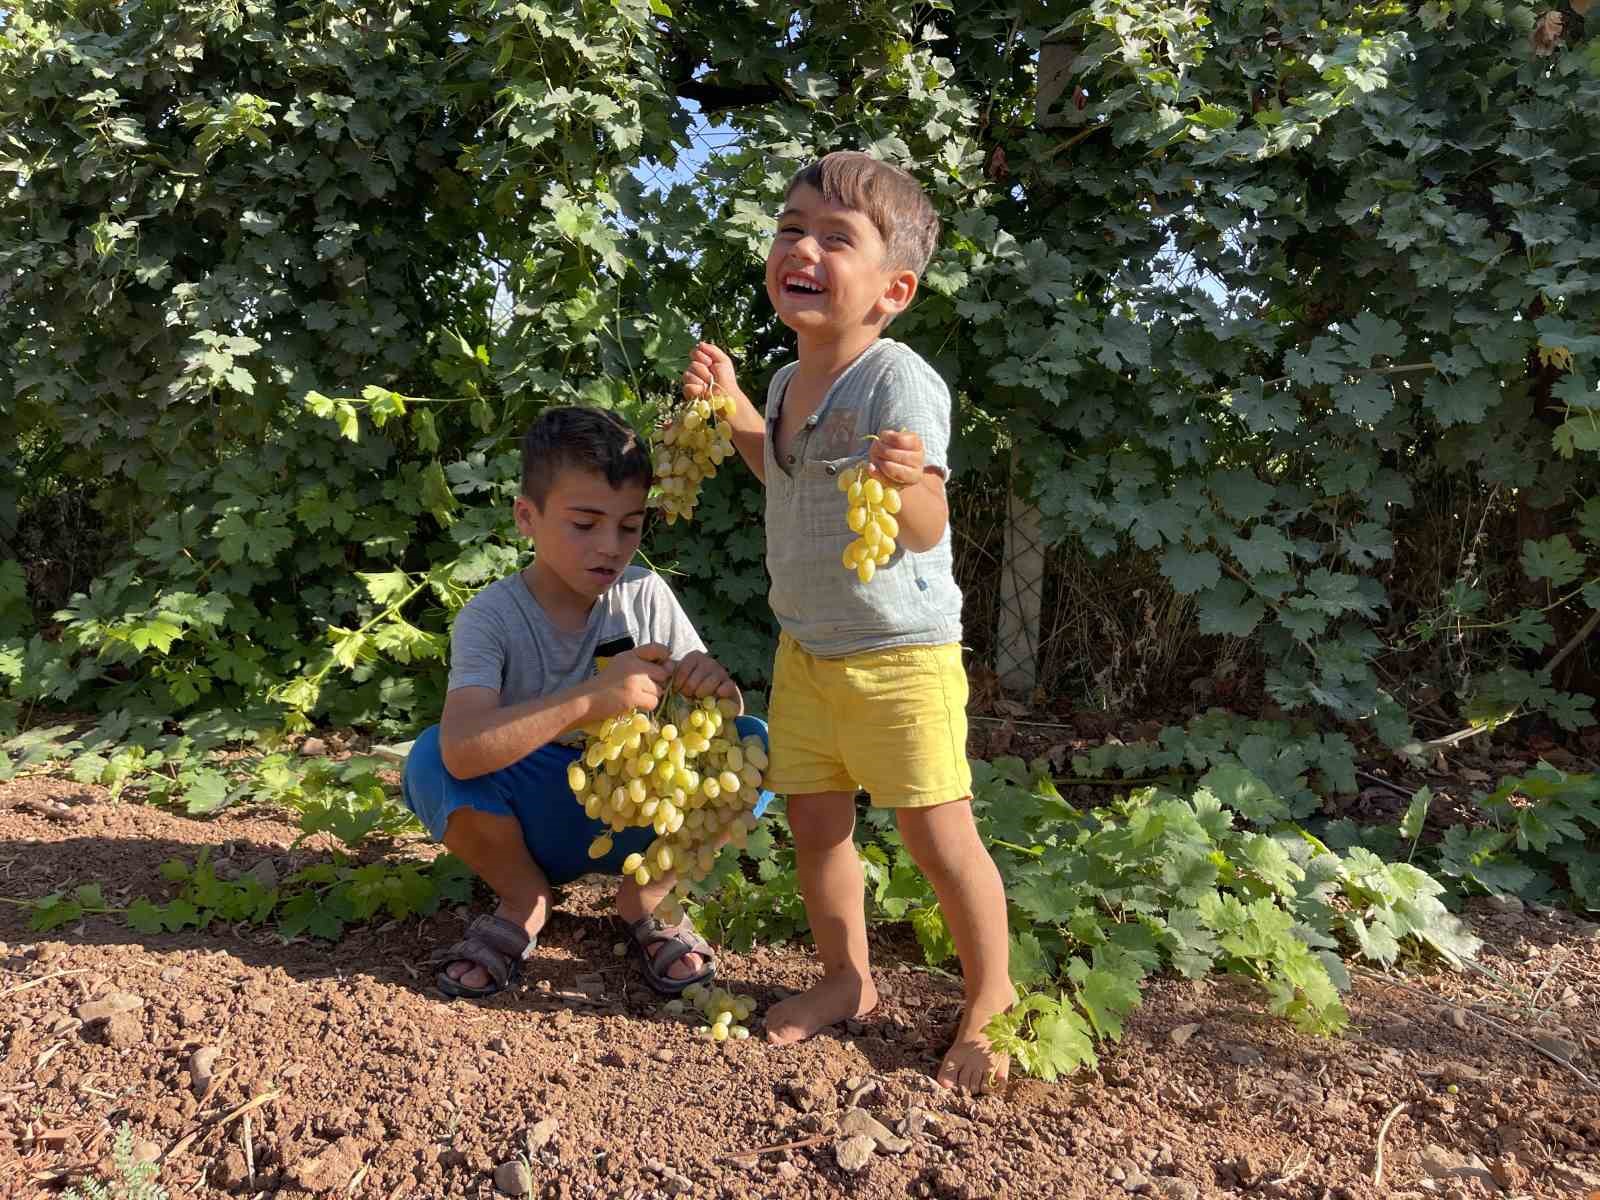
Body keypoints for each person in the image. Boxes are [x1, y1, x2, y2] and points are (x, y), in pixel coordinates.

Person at [681, 151, 1013, 1092]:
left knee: (938, 839)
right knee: (817, 828)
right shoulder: (790, 384)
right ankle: (845, 979)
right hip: (808, 652)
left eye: (836, 237)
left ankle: (991, 997)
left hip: (899, 657)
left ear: (893, 289)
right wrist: (735, 400)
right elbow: (773, 463)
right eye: (792, 228)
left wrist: (908, 484)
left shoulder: (895, 382)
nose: (804, 248)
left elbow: (928, 523)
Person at [400, 405, 762, 999]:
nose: (611, 546)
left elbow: (716, 727)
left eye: (629, 526)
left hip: (634, 821)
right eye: (585, 523)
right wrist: (588, 699)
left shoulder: (647, 595)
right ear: (527, 517)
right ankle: (524, 898)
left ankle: (644, 899)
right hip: (532, 818)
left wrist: (715, 689)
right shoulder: (489, 618)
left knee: (754, 745)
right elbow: (463, 752)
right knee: (430, 759)